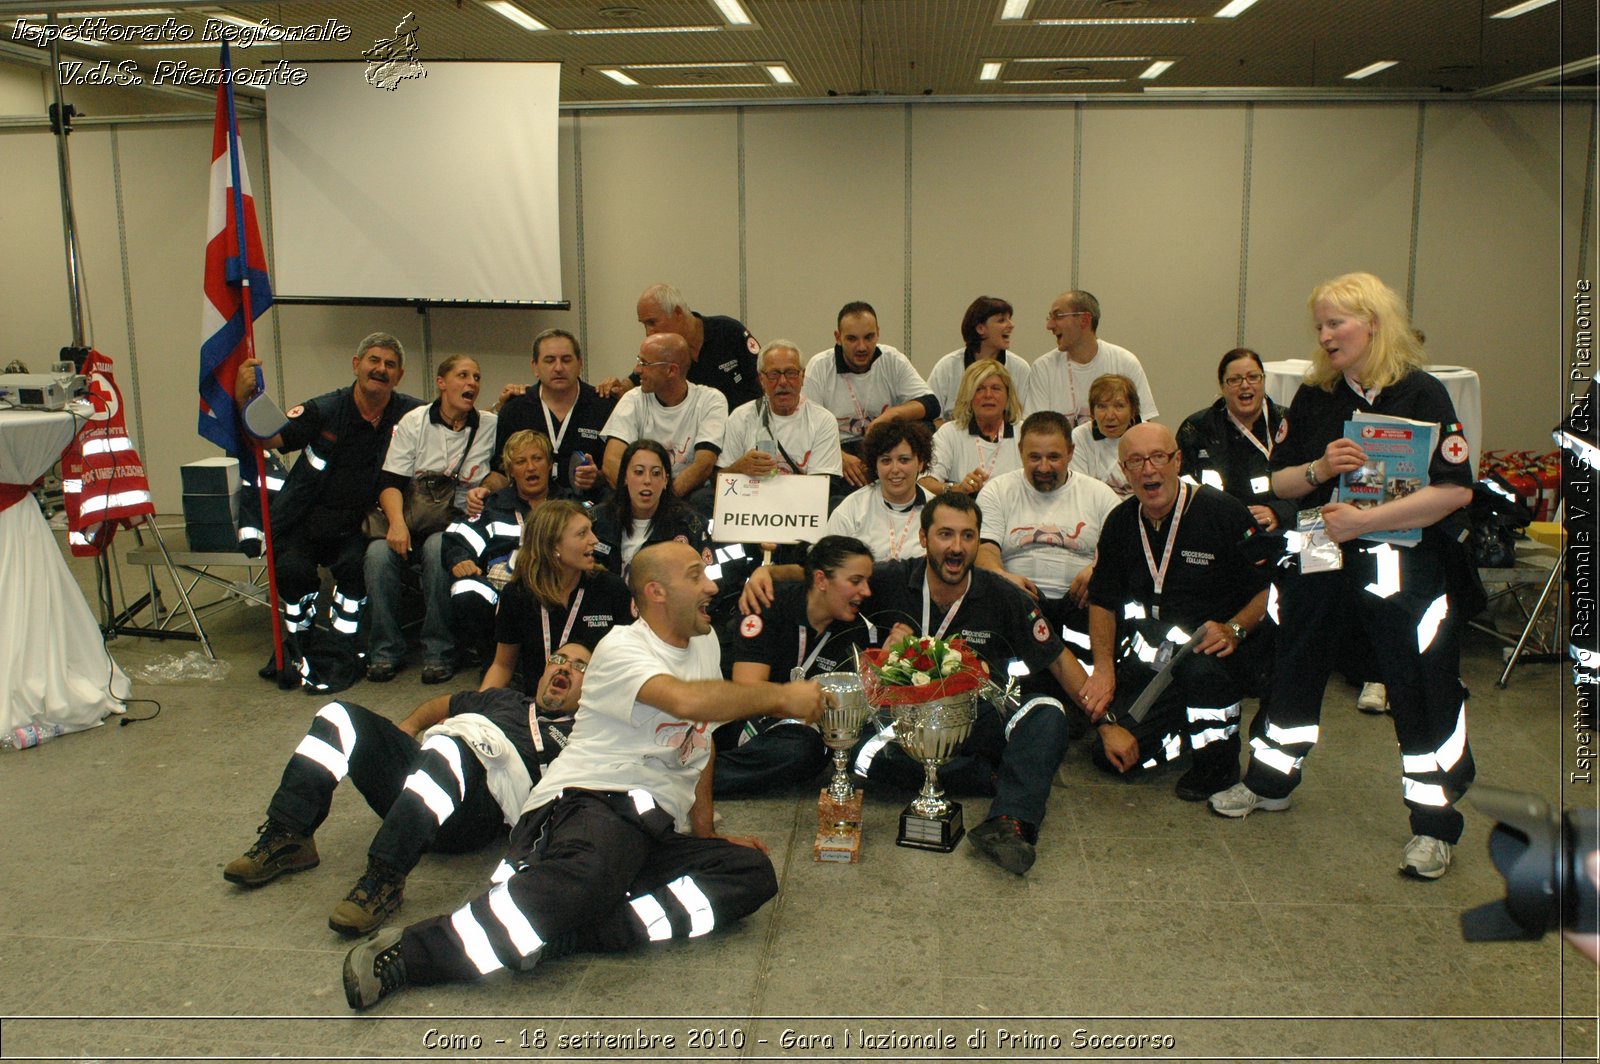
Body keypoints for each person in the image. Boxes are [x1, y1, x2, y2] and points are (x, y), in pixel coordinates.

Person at [340, 541, 833, 1010]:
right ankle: (410, 954)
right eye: (695, 575)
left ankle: (573, 931)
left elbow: (697, 749)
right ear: (656, 592)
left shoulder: (701, 645)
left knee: (749, 875)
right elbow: (687, 702)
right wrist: (781, 697)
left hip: (648, 828)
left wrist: (705, 835)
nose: (710, 587)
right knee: (589, 873)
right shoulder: (621, 649)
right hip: (589, 804)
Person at [1210, 272, 1477, 882]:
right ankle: (1270, 779)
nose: (1325, 337)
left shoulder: (1423, 395)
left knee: (1419, 685)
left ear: (1373, 324)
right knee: (1292, 661)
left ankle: (1433, 827)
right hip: (1317, 547)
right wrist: (1319, 465)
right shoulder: (1316, 396)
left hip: (1400, 558)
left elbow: (1454, 492)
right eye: (1320, 326)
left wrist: (1368, 520)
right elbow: (1278, 483)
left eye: (1336, 324)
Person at [741, 494, 1104, 876]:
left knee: (1046, 712)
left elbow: (1058, 659)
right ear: (924, 538)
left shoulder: (1002, 594)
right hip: (902, 725)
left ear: (979, 543)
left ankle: (1009, 822)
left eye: (968, 536)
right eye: (945, 534)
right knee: (864, 754)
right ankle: (989, 776)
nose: (956, 546)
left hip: (975, 713)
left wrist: (1107, 723)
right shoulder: (891, 579)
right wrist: (765, 574)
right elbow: (825, 578)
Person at [223, 643, 590, 937]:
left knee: (448, 749)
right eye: (559, 659)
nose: (564, 667)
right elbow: (441, 705)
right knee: (339, 716)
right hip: (425, 772)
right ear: (542, 672)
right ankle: (290, 834)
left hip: (475, 812)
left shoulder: (582, 733)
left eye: (579, 666)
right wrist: (408, 727)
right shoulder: (502, 699)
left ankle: (384, 879)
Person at [1082, 422, 1270, 801]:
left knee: (1202, 672)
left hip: (1215, 653)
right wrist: (1103, 669)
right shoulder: (1121, 523)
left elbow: (1269, 586)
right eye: (1135, 461)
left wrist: (1235, 628)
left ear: (1178, 460)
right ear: (1123, 471)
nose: (1148, 470)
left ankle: (1218, 761)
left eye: (1158, 458)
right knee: (1113, 756)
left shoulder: (1222, 512)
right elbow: (1102, 601)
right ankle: (1183, 732)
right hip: (1157, 661)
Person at [232, 333, 422, 691]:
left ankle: (342, 646)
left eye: (390, 365)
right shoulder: (325, 409)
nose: (380, 369)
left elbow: (452, 420)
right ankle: (295, 647)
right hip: (302, 522)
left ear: (399, 376)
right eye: (374, 360)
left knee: (356, 572)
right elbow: (268, 438)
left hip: (356, 529)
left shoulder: (411, 414)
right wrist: (243, 399)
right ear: (356, 365)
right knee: (293, 574)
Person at [364, 355, 498, 685]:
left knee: (441, 547)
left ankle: (439, 651)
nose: (471, 384)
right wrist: (396, 524)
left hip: (458, 523)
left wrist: (486, 487)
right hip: (410, 518)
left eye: (477, 377)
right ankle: (385, 650)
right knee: (377, 556)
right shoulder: (414, 422)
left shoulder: (489, 425)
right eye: (463, 376)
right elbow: (390, 483)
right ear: (441, 383)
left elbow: (504, 472)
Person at [715, 536, 878, 797]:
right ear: (822, 580)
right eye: (856, 581)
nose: (867, 591)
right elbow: (746, 692)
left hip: (804, 730)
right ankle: (697, 782)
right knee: (800, 750)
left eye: (867, 582)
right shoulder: (768, 604)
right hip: (750, 720)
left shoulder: (855, 628)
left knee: (813, 749)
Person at [976, 410, 1120, 659]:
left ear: (1071, 452)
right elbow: (983, 550)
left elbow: (1125, 553)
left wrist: (1100, 567)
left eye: (1054, 457)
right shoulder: (997, 491)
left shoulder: (1101, 495)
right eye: (1034, 457)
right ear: (1020, 450)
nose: (1044, 467)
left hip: (1082, 606)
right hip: (1018, 604)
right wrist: (1000, 575)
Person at [489, 500, 633, 695]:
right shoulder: (518, 594)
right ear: (553, 544)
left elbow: (630, 662)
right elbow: (502, 667)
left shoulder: (611, 589)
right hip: (536, 706)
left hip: (598, 704)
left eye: (591, 530)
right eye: (582, 534)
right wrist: (476, 713)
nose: (595, 540)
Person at [441, 430, 558, 665]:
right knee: (465, 589)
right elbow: (459, 537)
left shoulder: (569, 505)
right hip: (505, 591)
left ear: (550, 464)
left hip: (556, 587)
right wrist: (460, 560)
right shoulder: (493, 507)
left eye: (537, 458)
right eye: (521, 461)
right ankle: (494, 662)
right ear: (510, 471)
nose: (531, 467)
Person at [801, 301, 938, 487]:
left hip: (884, 445)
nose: (862, 347)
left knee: (925, 426)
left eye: (869, 337)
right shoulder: (820, 366)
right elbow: (806, 426)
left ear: (878, 333)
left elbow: (931, 404)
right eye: (852, 339)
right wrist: (838, 457)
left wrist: (889, 416)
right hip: (839, 449)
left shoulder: (892, 359)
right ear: (838, 337)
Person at [482, 328, 615, 507]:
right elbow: (501, 471)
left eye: (566, 360)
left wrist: (597, 477)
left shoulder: (605, 407)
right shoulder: (515, 409)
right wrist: (485, 490)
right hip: (528, 510)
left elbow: (619, 472)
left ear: (580, 363)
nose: (558, 367)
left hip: (589, 509)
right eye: (549, 360)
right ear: (535, 366)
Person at [599, 333, 728, 506]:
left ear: (671, 370)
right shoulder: (633, 399)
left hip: (686, 495)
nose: (637, 370)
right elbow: (611, 462)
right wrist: (643, 497)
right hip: (637, 494)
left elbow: (703, 465)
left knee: (705, 500)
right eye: (639, 360)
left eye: (645, 363)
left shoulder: (710, 400)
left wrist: (662, 503)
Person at [1175, 348, 1295, 533]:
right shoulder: (1196, 428)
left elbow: (1310, 480)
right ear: (1222, 386)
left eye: (1253, 377)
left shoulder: (1288, 422)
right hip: (1215, 527)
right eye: (1234, 379)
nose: (1245, 385)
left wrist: (1279, 512)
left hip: (1278, 526)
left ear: (1263, 381)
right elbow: (1181, 485)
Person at [596, 283, 763, 409]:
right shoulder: (662, 351)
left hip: (743, 432)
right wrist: (617, 387)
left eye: (652, 322)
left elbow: (764, 376)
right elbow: (633, 382)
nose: (648, 332)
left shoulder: (728, 331)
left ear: (677, 313)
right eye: (644, 324)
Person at [1022, 290, 1158, 428]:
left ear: (1085, 320)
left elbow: (1143, 425)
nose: (1049, 326)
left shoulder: (1125, 362)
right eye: (1050, 318)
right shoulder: (1044, 367)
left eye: (1058, 316)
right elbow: (1036, 429)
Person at [718, 340, 843, 481]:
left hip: (802, 500)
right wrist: (738, 468)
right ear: (761, 380)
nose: (783, 382)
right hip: (752, 498)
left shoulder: (823, 420)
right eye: (774, 374)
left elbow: (822, 485)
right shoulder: (740, 417)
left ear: (803, 377)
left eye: (791, 373)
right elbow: (720, 480)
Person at [590, 438, 713, 580]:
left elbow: (711, 585)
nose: (647, 480)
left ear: (666, 480)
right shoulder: (595, 520)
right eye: (638, 472)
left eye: (655, 473)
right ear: (624, 477)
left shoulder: (690, 525)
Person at [825, 420, 934, 563]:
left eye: (904, 460)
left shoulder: (936, 510)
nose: (895, 469)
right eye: (886, 461)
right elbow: (829, 565)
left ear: (920, 463)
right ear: (875, 466)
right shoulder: (851, 509)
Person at [921, 360, 1024, 498]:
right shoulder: (950, 433)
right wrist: (957, 489)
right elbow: (924, 483)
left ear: (1008, 396)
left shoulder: (1025, 432)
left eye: (996, 388)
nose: (988, 395)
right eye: (979, 389)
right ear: (968, 396)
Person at [926, 296, 1031, 423]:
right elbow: (933, 417)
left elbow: (1024, 418)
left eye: (1010, 319)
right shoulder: (947, 366)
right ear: (980, 328)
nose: (1011, 325)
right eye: (1002, 320)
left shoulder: (1020, 368)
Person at [1069, 373, 1140, 496]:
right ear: (1092, 412)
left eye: (1119, 406)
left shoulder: (1147, 436)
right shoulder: (1080, 436)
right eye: (1102, 406)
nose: (1110, 416)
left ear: (1133, 411)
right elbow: (1079, 489)